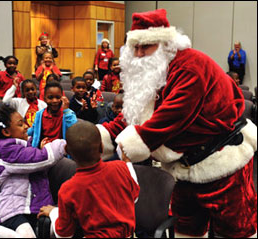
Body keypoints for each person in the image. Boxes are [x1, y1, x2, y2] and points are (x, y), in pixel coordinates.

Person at [96, 9, 257, 238]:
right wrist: (103, 136)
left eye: (147, 46)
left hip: (223, 162)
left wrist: (136, 142)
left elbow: (172, 116)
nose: (140, 54)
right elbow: (134, 113)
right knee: (186, 228)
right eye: (136, 47)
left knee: (236, 229)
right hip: (184, 169)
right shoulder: (153, 72)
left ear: (165, 43)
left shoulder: (190, 65)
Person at [37, 121, 140, 238]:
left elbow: (64, 234)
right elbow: (134, 197)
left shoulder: (68, 190)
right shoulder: (121, 168)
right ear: (102, 147)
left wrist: (54, 212)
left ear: (67, 151)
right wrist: (127, 163)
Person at [0, 104, 66, 238]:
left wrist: (38, 145)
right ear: (6, 132)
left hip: (32, 205)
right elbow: (42, 159)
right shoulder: (5, 149)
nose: (26, 126)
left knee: (56, 230)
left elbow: (29, 152)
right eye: (21, 124)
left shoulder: (22, 145)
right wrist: (63, 146)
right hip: (12, 207)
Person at [27, 81, 77, 149]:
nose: (54, 101)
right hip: (44, 149)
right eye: (50, 97)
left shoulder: (68, 114)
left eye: (58, 97)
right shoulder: (39, 114)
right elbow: (34, 130)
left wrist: (66, 110)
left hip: (62, 151)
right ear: (44, 99)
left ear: (63, 97)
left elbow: (75, 130)